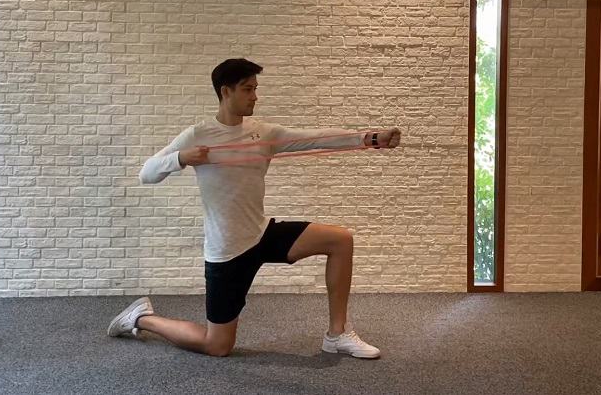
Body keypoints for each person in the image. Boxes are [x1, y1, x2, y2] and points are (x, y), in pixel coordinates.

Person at [108, 58, 401, 358]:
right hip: (227, 251)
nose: (255, 96)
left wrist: (370, 139)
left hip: (261, 235)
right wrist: (181, 158)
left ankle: (337, 334)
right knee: (217, 345)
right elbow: (146, 173)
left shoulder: (263, 133)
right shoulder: (198, 134)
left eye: (255, 89)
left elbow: (315, 139)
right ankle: (141, 318)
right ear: (226, 92)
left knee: (340, 240)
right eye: (248, 89)